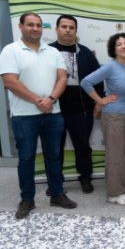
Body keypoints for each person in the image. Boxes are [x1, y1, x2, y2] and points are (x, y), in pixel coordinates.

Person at [0, 13, 77, 219]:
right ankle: (27, 199)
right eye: (31, 25)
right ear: (21, 26)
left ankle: (57, 194)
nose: (35, 28)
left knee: (54, 155)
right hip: (25, 116)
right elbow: (10, 82)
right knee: (26, 158)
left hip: (53, 113)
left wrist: (50, 99)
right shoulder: (11, 51)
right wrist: (38, 100)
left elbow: (62, 78)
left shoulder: (52, 51)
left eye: (38, 25)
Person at [81, 32, 125, 205]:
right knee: (116, 155)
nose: (123, 46)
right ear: (113, 48)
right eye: (119, 44)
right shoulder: (110, 66)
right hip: (114, 115)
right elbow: (86, 82)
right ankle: (115, 192)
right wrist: (100, 100)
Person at [48, 15, 101, 194]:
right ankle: (55, 182)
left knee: (83, 147)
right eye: (64, 27)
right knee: (54, 149)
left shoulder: (85, 53)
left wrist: (98, 102)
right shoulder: (47, 52)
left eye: (71, 27)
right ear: (57, 29)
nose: (68, 30)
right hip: (53, 111)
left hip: (81, 111)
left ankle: (85, 177)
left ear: (76, 31)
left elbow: (98, 79)